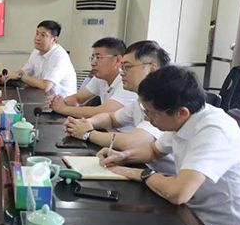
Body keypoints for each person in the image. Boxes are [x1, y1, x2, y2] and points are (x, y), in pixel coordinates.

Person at [98, 66, 240, 225]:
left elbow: (178, 194)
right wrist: (122, 156)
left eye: (151, 114)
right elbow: (154, 151)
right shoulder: (186, 118)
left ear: (181, 113)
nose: (147, 119)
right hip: (194, 213)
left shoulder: (213, 132)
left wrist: (139, 173)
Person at [63, 40, 175, 173]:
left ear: (152, 69)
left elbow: (130, 142)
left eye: (127, 67)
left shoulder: (163, 103)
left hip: (168, 179)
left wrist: (87, 133)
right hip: (146, 169)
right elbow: (111, 118)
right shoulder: (140, 101)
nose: (121, 72)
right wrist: (87, 123)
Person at [46, 37, 137, 120]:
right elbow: (77, 99)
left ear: (117, 60)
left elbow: (103, 112)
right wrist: (59, 101)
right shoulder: (100, 78)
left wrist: (63, 109)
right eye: (92, 57)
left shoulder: (127, 82)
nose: (93, 63)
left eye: (98, 57)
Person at [0, 20, 77, 96]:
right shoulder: (37, 51)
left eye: (43, 35)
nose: (37, 38)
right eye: (37, 33)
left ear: (54, 39)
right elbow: (24, 72)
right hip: (43, 98)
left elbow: (46, 86)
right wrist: (7, 77)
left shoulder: (59, 57)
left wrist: (20, 76)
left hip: (63, 103)